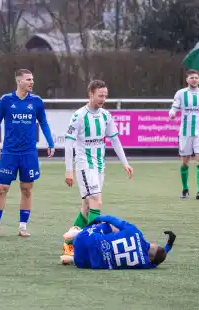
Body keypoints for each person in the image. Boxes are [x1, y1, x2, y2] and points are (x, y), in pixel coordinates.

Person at [63, 79, 133, 256]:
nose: (103, 99)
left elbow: (115, 140)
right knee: (96, 200)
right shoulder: (78, 116)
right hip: (84, 165)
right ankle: (96, 245)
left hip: (99, 165)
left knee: (87, 207)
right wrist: (69, 169)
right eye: (100, 95)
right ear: (90, 94)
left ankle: (70, 244)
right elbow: (69, 143)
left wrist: (125, 163)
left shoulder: (105, 116)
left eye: (105, 96)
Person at [0, 69, 55, 237]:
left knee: (26, 189)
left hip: (29, 153)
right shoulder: (6, 100)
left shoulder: (37, 102)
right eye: (28, 79)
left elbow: (44, 123)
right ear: (19, 81)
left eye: (32, 79)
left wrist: (50, 142)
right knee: (2, 188)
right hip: (9, 152)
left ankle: (23, 227)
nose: (32, 82)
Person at [59, 215, 176, 270]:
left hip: (83, 240)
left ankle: (76, 232)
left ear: (154, 244)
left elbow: (110, 219)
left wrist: (94, 222)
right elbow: (156, 260)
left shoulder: (136, 233)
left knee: (109, 226)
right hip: (82, 263)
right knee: (101, 258)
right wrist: (168, 247)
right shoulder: (144, 263)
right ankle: (71, 259)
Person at [169, 69, 199, 199]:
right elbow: (175, 106)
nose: (194, 80)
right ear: (187, 80)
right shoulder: (181, 93)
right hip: (185, 132)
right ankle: (185, 189)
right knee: (185, 163)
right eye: (192, 78)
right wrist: (172, 112)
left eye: (196, 78)